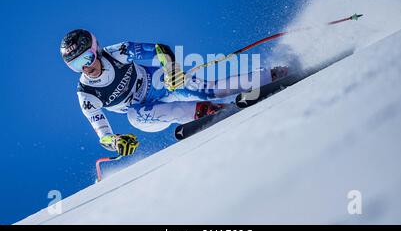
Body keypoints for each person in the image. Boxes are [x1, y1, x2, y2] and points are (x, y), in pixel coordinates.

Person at [60, 29, 287, 156]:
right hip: (148, 113)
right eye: (75, 64)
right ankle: (204, 112)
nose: (86, 67)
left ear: (96, 50)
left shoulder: (116, 52)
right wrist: (117, 141)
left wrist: (171, 70)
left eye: (87, 58)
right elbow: (104, 137)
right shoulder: (86, 94)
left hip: (160, 83)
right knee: (133, 116)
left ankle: (272, 75)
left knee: (210, 89)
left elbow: (160, 49)